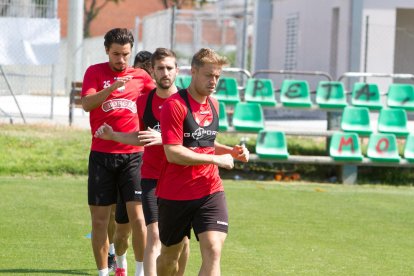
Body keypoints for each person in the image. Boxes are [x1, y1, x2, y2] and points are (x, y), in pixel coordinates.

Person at [94, 47, 190, 276]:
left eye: (169, 68)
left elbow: (197, 143)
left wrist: (164, 139)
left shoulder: (187, 102)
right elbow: (140, 135)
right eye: (160, 68)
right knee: (153, 234)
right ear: (152, 73)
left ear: (177, 70)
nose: (165, 72)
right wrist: (113, 135)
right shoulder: (143, 102)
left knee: (183, 241)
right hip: (151, 178)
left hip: (181, 179)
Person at [156, 48, 250, 275]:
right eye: (209, 75)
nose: (214, 81)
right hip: (175, 194)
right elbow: (173, 152)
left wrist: (232, 151)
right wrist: (216, 159)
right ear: (194, 72)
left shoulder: (214, 105)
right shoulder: (174, 105)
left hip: (210, 190)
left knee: (214, 249)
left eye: (217, 76)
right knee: (170, 257)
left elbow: (205, 142)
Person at [81, 28, 155, 276]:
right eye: (115, 54)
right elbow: (87, 105)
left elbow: (162, 100)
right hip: (101, 156)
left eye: (125, 54)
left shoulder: (141, 76)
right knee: (100, 221)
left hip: (133, 156)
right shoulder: (94, 72)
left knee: (138, 218)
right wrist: (112, 87)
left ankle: (140, 272)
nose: (121, 60)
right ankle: (104, 273)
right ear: (106, 51)